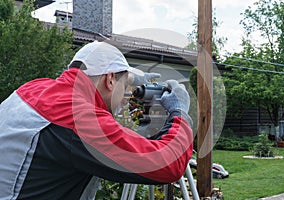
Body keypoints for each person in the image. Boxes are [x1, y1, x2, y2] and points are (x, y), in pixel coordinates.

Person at [0, 41, 194, 199]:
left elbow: (106, 76)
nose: (127, 94)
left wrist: (135, 78)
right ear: (110, 80)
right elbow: (168, 165)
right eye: (125, 85)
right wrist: (179, 112)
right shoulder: (81, 119)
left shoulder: (32, 88)